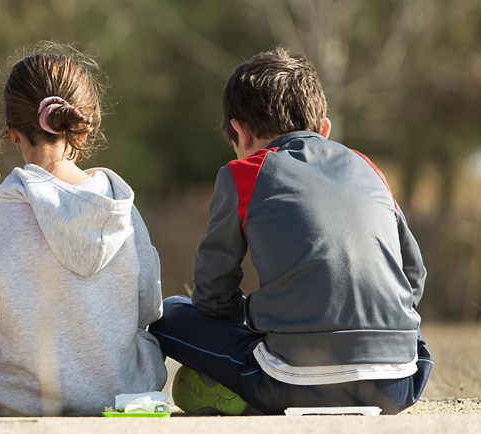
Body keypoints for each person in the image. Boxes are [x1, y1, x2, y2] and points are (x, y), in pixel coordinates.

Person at [149, 48, 433, 415]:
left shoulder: (244, 173)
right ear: (324, 129)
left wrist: (253, 320)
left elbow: (213, 297)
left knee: (169, 313)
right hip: (400, 384)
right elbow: (412, 279)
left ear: (240, 132)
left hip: (293, 381)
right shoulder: (368, 168)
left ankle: (246, 395)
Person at [0, 43, 167, 416]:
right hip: (121, 392)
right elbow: (148, 308)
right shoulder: (123, 208)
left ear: (13, 132)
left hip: (23, 398)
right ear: (84, 125)